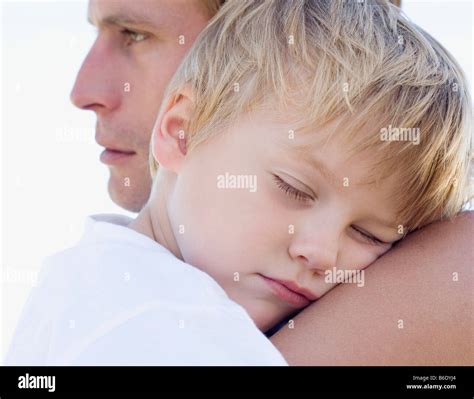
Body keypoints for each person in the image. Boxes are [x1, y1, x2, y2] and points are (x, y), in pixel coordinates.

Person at [6, 0, 471, 365]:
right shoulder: (156, 321)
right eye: (293, 188)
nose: (323, 253)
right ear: (181, 132)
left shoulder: (101, 282)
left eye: (371, 236)